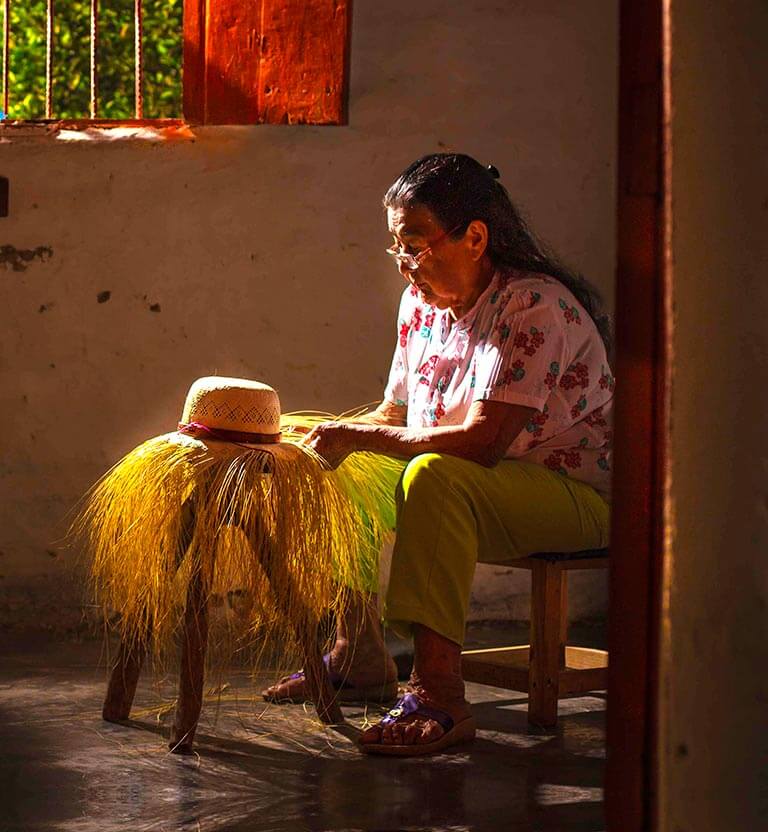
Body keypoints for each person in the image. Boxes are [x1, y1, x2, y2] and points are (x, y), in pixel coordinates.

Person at [262, 153, 613, 756]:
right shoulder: (419, 309)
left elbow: (481, 444)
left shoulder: (533, 305)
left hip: (578, 499)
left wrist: (360, 438)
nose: (405, 268)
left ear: (475, 237)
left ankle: (438, 693)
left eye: (416, 248)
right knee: (342, 466)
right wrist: (312, 438)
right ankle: (359, 655)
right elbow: (394, 416)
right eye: (397, 250)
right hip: (481, 491)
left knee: (433, 475)